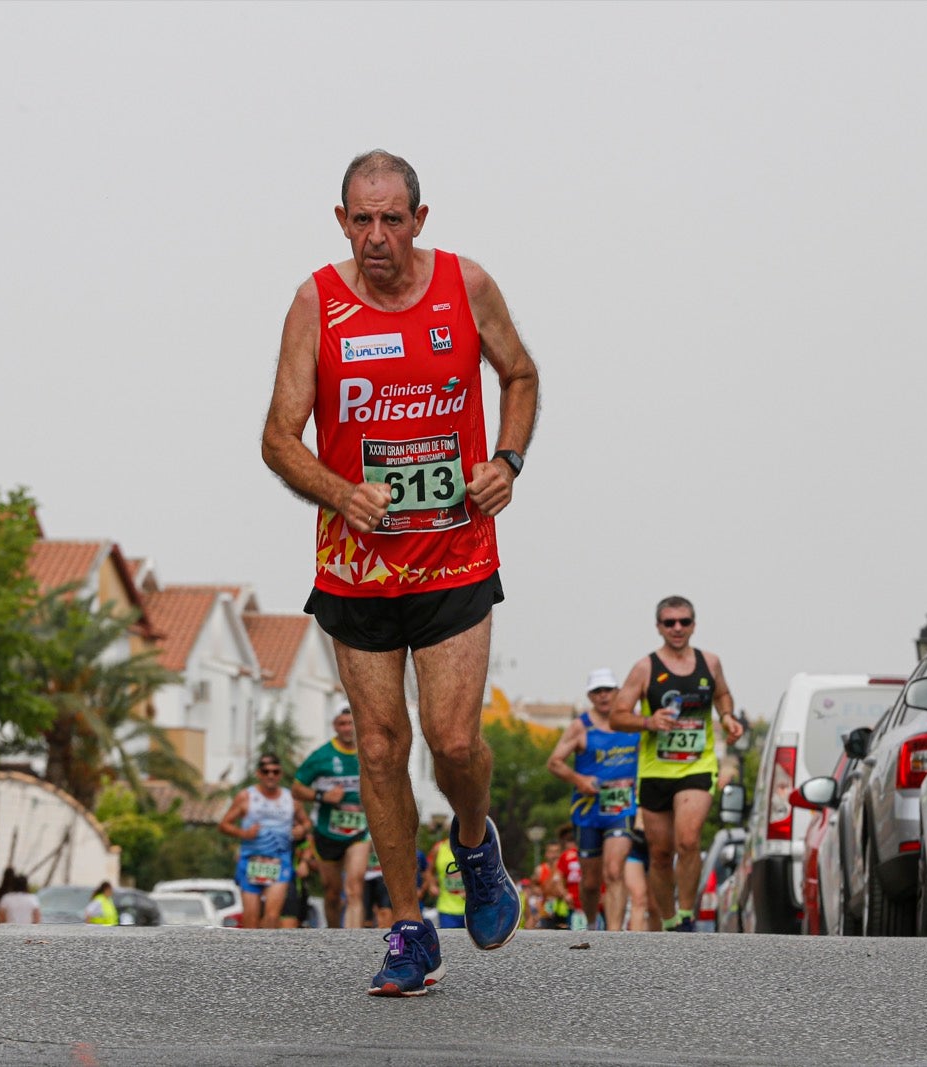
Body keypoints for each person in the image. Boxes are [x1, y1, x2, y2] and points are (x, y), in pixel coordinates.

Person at [261, 149, 539, 997]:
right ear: (341, 221)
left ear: (421, 219)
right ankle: (410, 928)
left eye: (392, 218)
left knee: (454, 740)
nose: (376, 235)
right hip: (357, 566)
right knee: (380, 747)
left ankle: (477, 844)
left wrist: (508, 459)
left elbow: (520, 374)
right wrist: (340, 490)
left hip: (455, 549)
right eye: (361, 219)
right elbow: (278, 438)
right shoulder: (317, 301)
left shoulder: (467, 286)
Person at [610, 596, 743, 932]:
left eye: (684, 621)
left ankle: (687, 914)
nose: (677, 628)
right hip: (656, 770)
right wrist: (648, 722)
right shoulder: (645, 668)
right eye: (670, 622)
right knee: (659, 852)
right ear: (659, 627)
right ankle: (669, 920)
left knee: (688, 840)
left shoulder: (710, 663)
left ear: (694, 625)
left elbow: (723, 694)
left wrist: (726, 717)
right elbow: (617, 716)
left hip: (696, 767)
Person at [547, 668, 640, 930]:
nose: (603, 696)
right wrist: (580, 780)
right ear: (590, 695)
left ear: (617, 692)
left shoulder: (632, 723)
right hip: (588, 811)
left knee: (614, 871)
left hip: (621, 808)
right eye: (597, 691)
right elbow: (554, 762)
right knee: (589, 881)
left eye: (607, 690)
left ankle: (613, 933)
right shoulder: (581, 726)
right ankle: (590, 924)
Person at [292, 707, 370, 929]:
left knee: (354, 888)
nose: (347, 728)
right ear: (335, 726)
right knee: (332, 892)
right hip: (327, 832)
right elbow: (296, 789)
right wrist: (322, 795)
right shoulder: (322, 756)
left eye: (351, 722)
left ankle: (352, 941)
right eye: (342, 723)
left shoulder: (368, 751)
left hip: (359, 831)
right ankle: (336, 935)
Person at [218, 754, 312, 930]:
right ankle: (249, 954)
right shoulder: (246, 797)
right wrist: (244, 833)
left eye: (275, 772)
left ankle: (267, 955)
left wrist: (302, 829)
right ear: (259, 773)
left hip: (279, 861)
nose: (270, 775)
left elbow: (306, 823)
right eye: (266, 771)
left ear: (280, 774)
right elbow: (223, 825)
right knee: (251, 919)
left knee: (272, 916)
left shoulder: (290, 799)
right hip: (251, 861)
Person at [622, 821, 653, 932]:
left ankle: (656, 942)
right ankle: (636, 941)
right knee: (638, 898)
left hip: (657, 845)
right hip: (635, 842)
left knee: (654, 906)